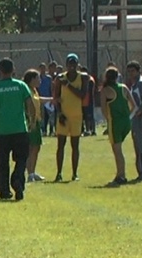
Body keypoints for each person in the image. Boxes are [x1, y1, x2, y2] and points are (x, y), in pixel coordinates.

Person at [0, 58, 36, 201]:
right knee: (21, 159)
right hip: (20, 129)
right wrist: (32, 121)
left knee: (2, 163)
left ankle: (4, 190)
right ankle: (17, 180)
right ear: (13, 70)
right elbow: (30, 104)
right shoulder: (21, 86)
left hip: (3, 132)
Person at [53, 53, 89, 181]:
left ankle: (75, 173)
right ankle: (59, 173)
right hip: (64, 115)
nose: (72, 66)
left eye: (74, 64)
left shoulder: (83, 78)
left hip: (77, 115)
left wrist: (68, 85)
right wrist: (59, 113)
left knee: (75, 145)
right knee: (61, 145)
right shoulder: (59, 78)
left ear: (77, 64)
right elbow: (56, 98)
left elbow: (82, 94)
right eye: (69, 64)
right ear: (66, 65)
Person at [101, 66, 135, 185]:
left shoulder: (105, 90)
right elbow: (134, 105)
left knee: (117, 151)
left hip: (115, 123)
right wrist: (127, 116)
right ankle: (120, 174)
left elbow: (104, 109)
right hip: (126, 122)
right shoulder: (124, 88)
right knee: (119, 150)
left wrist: (108, 120)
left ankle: (121, 175)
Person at [23, 69, 52, 183]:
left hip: (37, 121)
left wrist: (51, 99)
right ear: (31, 80)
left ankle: (33, 172)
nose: (40, 80)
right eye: (38, 78)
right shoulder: (26, 90)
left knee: (36, 147)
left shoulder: (34, 90)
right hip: (30, 122)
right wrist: (31, 121)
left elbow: (38, 100)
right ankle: (29, 173)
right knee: (30, 148)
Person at [37, 62, 53, 134]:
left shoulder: (49, 78)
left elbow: (51, 88)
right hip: (40, 99)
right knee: (43, 115)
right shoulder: (37, 78)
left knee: (51, 114)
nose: (43, 69)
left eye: (44, 68)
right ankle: (44, 130)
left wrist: (52, 97)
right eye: (41, 68)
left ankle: (51, 130)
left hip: (48, 98)